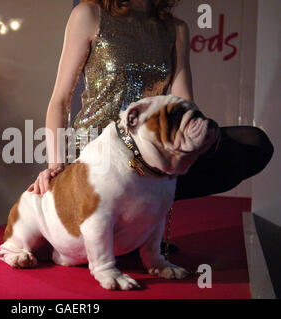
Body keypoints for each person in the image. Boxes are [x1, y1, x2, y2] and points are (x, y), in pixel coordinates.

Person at [28, 1, 273, 219]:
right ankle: (123, 215)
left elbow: (184, 104)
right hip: (99, 155)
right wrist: (56, 165)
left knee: (253, 143)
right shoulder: (90, 13)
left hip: (149, 153)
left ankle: (141, 212)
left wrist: (202, 138)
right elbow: (60, 100)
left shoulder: (175, 28)